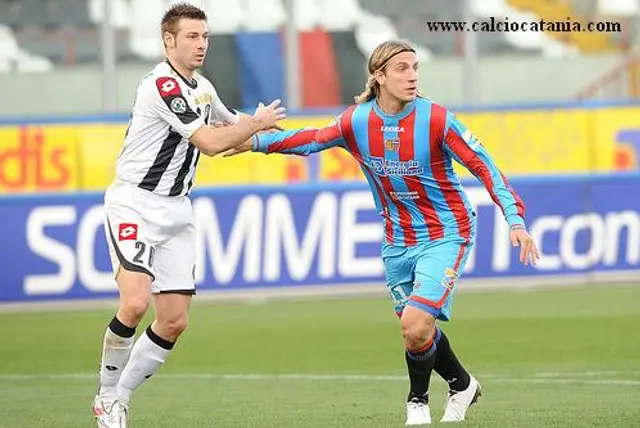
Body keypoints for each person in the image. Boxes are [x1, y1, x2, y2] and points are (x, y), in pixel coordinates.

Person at [225, 40, 540, 425]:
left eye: (415, 68)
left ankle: (417, 403)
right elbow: (310, 140)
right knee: (415, 332)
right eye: (402, 69)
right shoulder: (357, 121)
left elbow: (484, 166)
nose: (412, 76)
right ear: (379, 76)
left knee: (415, 323)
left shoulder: (437, 120)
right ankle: (462, 384)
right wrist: (255, 141)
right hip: (397, 239)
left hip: (447, 232)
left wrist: (515, 219)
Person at [91, 3, 286, 427]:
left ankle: (118, 398)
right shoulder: (162, 86)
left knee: (174, 321)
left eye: (205, 37)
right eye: (192, 37)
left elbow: (231, 130)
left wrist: (279, 135)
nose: (201, 45)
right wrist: (254, 124)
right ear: (169, 41)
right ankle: (105, 395)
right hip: (135, 204)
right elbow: (211, 143)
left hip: (177, 211)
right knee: (136, 301)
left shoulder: (201, 87)